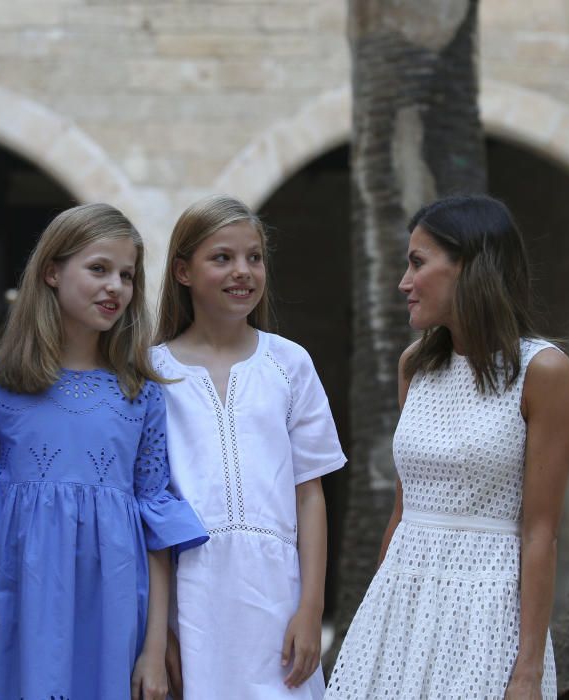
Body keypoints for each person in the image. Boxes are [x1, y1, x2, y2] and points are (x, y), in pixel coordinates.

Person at [326, 195, 569, 699]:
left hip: (487, 609)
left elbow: (540, 532)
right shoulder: (415, 366)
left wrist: (527, 669)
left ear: (469, 267)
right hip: (401, 599)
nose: (404, 282)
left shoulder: (544, 371)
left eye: (418, 263)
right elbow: (402, 510)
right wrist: (376, 620)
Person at [0, 203, 208, 700]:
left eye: (127, 275)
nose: (115, 286)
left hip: (116, 608)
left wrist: (154, 649)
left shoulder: (140, 394)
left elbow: (155, 523)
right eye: (98, 269)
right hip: (19, 607)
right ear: (52, 271)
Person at [151, 194, 347, 699]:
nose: (243, 271)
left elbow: (310, 494)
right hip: (188, 594)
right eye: (222, 258)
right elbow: (145, 508)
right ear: (183, 271)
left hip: (276, 596)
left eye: (254, 258)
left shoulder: (289, 363)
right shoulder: (149, 373)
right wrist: (157, 635)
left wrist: (310, 609)